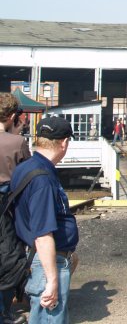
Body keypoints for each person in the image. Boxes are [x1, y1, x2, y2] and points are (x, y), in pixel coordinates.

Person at [11, 116, 79, 324]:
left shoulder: (25, 167)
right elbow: (42, 234)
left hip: (36, 255)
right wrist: (52, 280)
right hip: (46, 260)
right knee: (49, 318)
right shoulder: (43, 179)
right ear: (64, 143)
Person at [0, 93, 31, 324]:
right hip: (7, 205)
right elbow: (28, 175)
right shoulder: (17, 143)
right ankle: (4, 312)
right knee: (9, 257)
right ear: (12, 116)